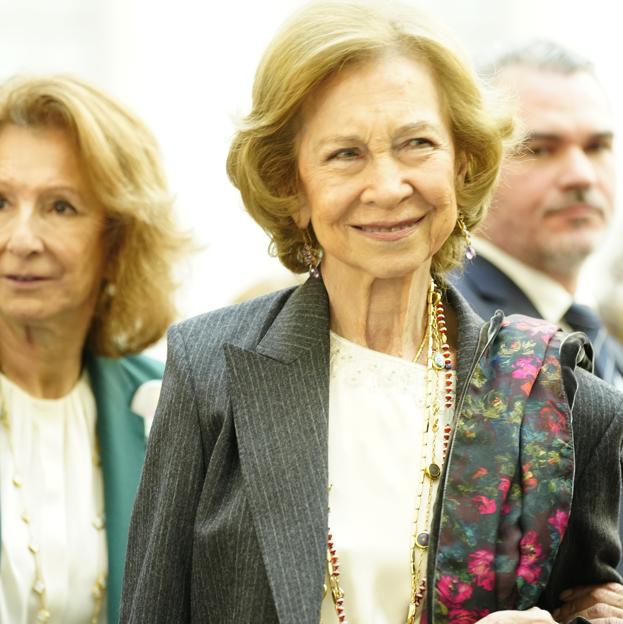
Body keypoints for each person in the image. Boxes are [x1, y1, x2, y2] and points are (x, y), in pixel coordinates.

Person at [120, 3, 623, 623]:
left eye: (417, 144)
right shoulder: (209, 371)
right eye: (345, 154)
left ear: (462, 161)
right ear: (291, 186)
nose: (387, 187)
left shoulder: (558, 396)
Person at [0, 75, 187, 623]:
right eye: (0, 201)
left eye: (61, 207)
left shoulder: (169, 407)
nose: (21, 239)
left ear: (118, 239)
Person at [452, 40, 623, 390]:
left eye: (596, 147)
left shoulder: (602, 335)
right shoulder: (452, 328)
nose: (582, 175)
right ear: (471, 166)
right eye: (541, 150)